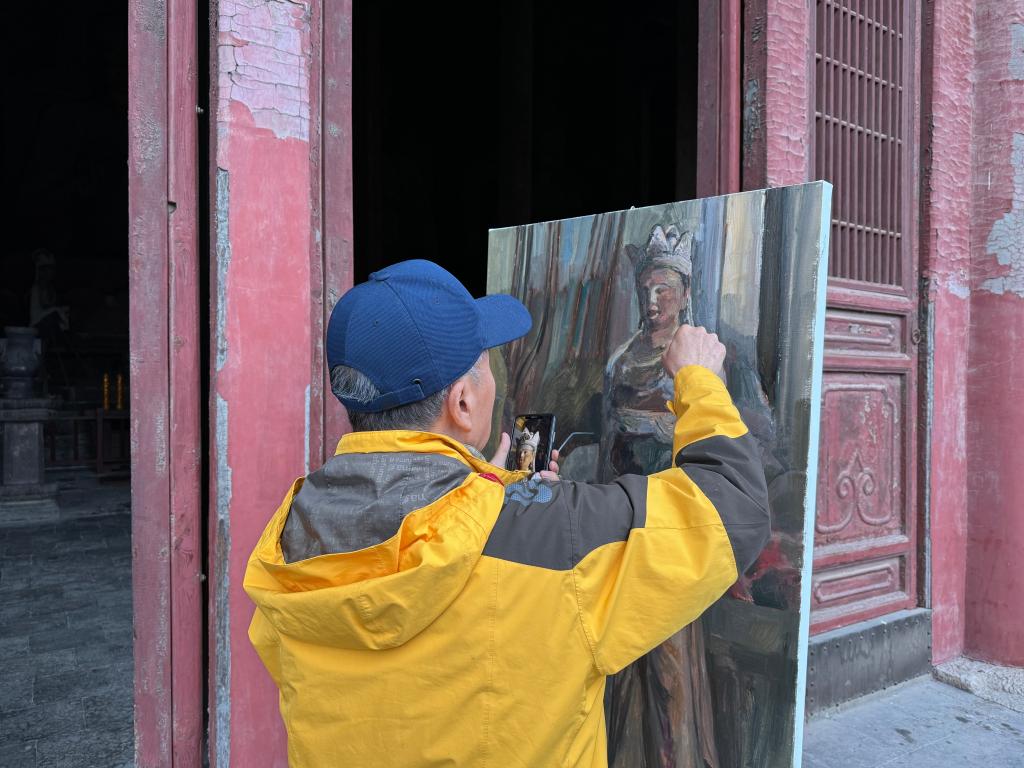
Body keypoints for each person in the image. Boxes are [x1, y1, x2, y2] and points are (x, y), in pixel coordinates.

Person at [244, 259, 770, 768]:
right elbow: (732, 507)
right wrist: (699, 380)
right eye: (486, 365)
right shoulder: (556, 537)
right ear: (463, 403)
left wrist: (481, 491)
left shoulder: (294, 532)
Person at [602, 225, 720, 767]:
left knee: (671, 669)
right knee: (620, 656)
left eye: (664, 289)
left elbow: (727, 441)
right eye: (646, 289)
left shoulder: (702, 359)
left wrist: (667, 431)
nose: (653, 301)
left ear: (685, 292)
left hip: (673, 525)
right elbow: (608, 436)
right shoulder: (622, 360)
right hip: (620, 519)